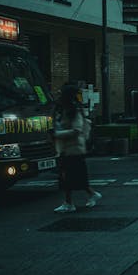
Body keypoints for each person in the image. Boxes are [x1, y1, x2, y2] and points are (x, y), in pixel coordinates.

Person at [52, 84, 101, 213]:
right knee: (73, 176)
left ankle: (69, 202)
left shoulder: (73, 111)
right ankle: (90, 194)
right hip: (65, 149)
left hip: (74, 149)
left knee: (69, 176)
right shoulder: (63, 110)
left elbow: (76, 130)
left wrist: (57, 134)